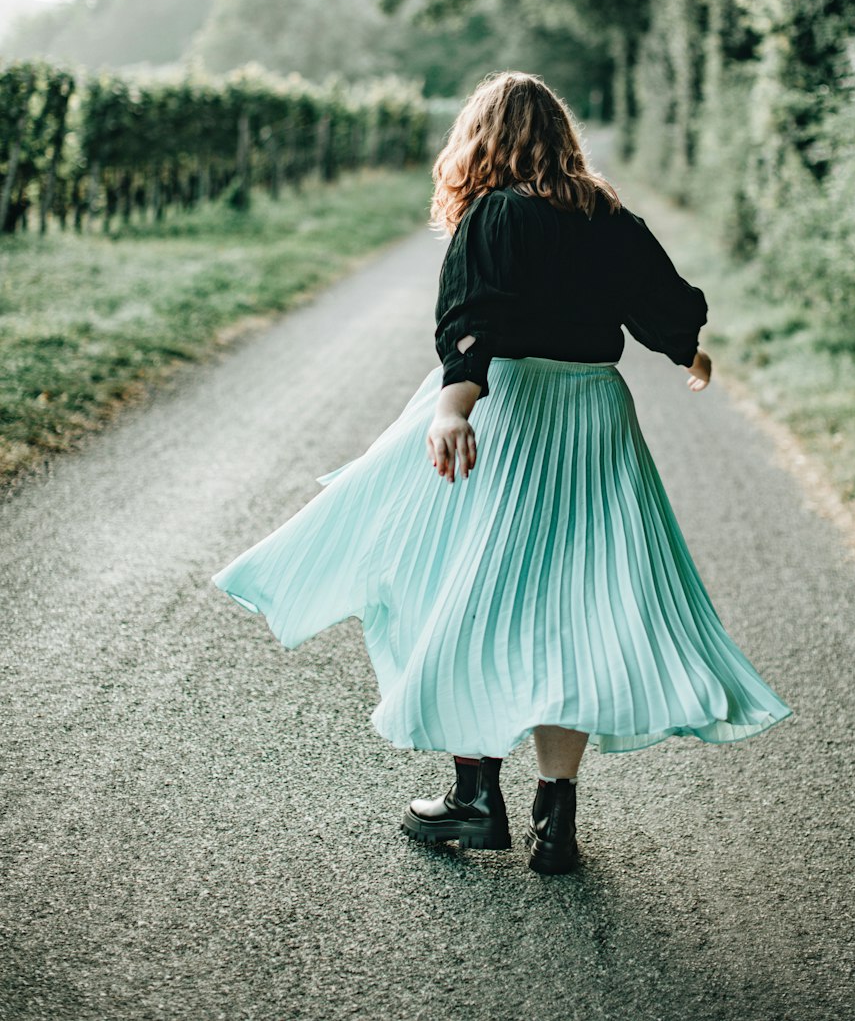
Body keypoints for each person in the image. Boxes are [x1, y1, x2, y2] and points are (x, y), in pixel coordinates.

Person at [212, 71, 792, 876]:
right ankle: (556, 824)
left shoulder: (497, 214)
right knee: (574, 610)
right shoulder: (606, 214)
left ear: (482, 141)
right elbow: (662, 299)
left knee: (454, 585)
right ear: (561, 137)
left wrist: (454, 408)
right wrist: (684, 346)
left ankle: (476, 798)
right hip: (594, 416)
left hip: (513, 411)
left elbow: (472, 320)